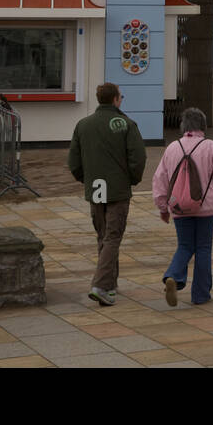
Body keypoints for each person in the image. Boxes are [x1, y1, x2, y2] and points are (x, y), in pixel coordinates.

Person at [67, 83, 147, 306]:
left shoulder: (83, 125)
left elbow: (73, 161)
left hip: (96, 188)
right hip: (117, 189)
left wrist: (86, 179)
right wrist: (131, 179)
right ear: (115, 100)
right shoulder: (127, 125)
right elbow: (138, 157)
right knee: (113, 236)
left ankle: (110, 283)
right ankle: (101, 285)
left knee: (103, 235)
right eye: (121, 96)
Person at [152, 107, 213, 307]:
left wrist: (163, 207)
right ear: (203, 126)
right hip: (206, 207)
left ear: (183, 126)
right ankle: (201, 294)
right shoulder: (211, 146)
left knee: (185, 245)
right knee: (204, 248)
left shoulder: (172, 147)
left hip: (179, 206)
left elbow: (160, 179)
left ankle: (173, 275)